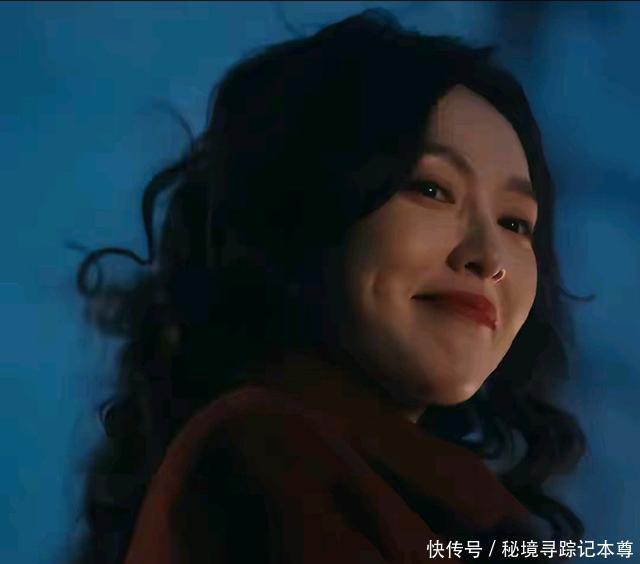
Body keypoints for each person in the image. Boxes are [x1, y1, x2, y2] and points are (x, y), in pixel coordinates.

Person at [68, 9, 590, 564]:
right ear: (310, 211)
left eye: (516, 223)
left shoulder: (423, 498)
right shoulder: (268, 457)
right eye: (432, 189)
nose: (490, 258)